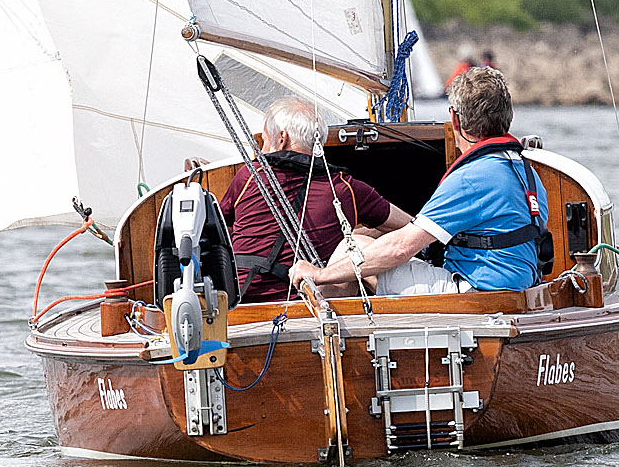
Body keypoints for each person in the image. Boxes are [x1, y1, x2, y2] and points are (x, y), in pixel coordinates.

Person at [289, 66, 549, 298]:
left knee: (352, 246)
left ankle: (324, 339)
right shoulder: (526, 173)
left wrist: (319, 274)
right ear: (507, 116)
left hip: (476, 293)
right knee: (369, 240)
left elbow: (401, 249)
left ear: (455, 120)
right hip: (519, 287)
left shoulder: (471, 178)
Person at [220, 98, 411, 302]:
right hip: (307, 305)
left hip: (243, 303)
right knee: (356, 250)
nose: (262, 149)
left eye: (264, 141)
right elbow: (410, 226)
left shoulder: (248, 176)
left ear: (282, 138)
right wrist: (356, 234)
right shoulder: (345, 188)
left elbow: (222, 232)